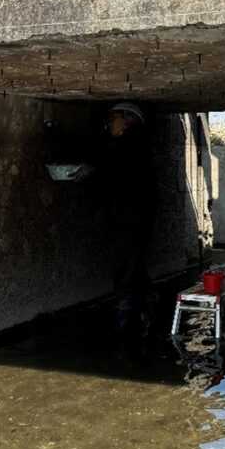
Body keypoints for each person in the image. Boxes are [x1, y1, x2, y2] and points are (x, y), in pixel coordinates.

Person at [99, 102, 157, 349]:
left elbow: (117, 175)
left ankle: (125, 323)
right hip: (131, 219)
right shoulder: (132, 146)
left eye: (113, 119)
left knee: (127, 268)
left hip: (130, 219)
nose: (109, 123)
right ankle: (143, 314)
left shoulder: (130, 147)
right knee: (133, 267)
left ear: (127, 121)